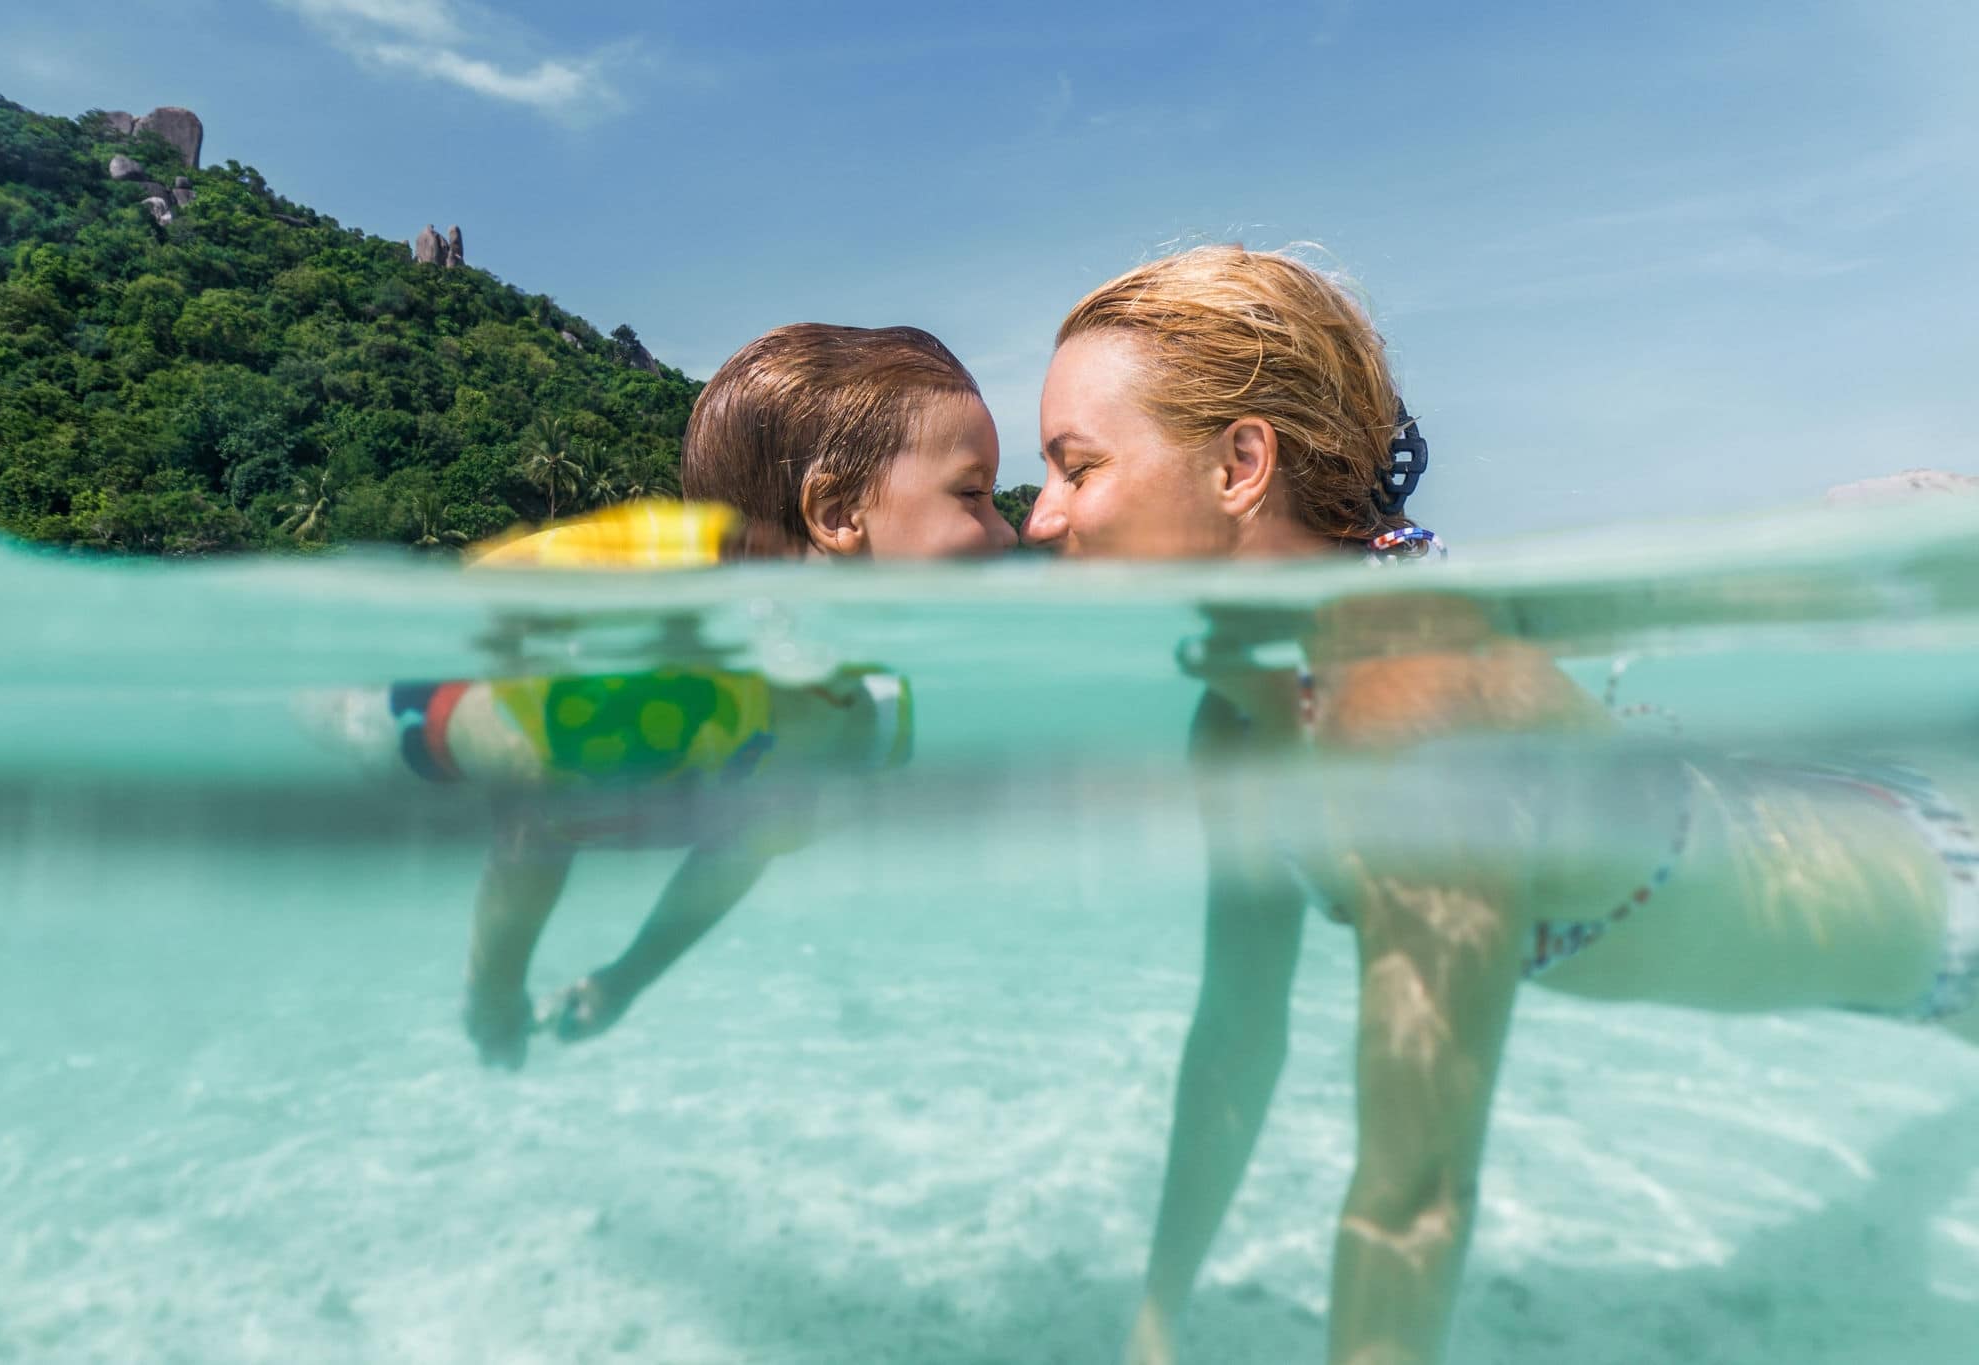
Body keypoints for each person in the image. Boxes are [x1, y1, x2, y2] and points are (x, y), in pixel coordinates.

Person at [1021, 245, 1979, 1365]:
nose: (1039, 519)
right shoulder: (1233, 718)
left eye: (1076, 468)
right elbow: (1235, 1036)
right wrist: (1156, 1319)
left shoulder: (1409, 702)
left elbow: (1413, 1197)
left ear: (1241, 464)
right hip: (1829, 817)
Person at [455, 323, 1016, 1068]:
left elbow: (732, 861)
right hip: (439, 731)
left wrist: (624, 980)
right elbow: (530, 828)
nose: (1009, 533)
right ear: (838, 513)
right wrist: (494, 992)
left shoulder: (845, 713)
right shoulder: (669, 642)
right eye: (974, 493)